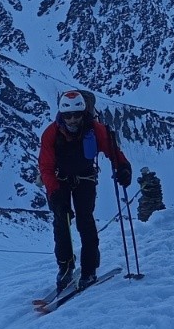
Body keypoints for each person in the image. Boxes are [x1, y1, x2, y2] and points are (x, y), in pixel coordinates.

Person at [38, 89, 133, 291]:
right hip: (59, 180)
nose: (72, 120)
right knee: (61, 221)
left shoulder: (96, 130)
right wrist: (54, 192)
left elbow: (113, 152)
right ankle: (65, 267)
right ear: (61, 115)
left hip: (85, 179)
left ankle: (89, 268)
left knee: (85, 220)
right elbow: (45, 166)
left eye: (77, 114)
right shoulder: (50, 134)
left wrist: (123, 167)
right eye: (68, 115)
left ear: (84, 113)